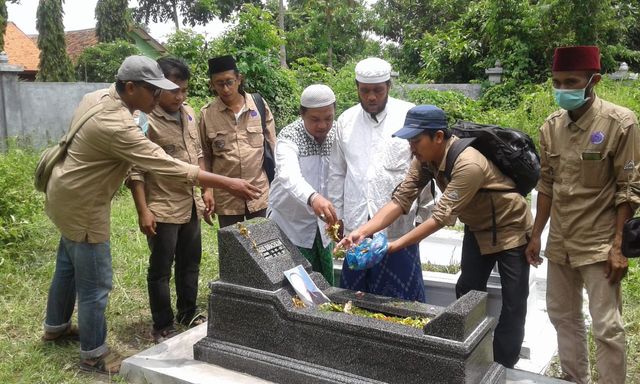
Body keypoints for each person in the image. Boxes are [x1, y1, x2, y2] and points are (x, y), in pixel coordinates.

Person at [41, 55, 261, 375]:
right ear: (130, 88)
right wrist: (228, 182)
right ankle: (93, 354)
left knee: (67, 266)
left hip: (64, 191)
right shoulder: (117, 124)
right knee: (95, 282)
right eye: (153, 91)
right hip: (84, 204)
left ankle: (56, 326)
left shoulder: (99, 97)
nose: (159, 97)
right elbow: (166, 164)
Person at [339, 105, 532, 368]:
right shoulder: (423, 160)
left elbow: (439, 218)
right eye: (409, 141)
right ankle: (469, 352)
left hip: (511, 228)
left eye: (416, 141)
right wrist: (362, 231)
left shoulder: (469, 164)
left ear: (438, 137)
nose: (411, 148)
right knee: (467, 290)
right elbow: (400, 200)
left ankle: (503, 364)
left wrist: (395, 245)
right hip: (477, 227)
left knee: (514, 300)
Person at [525, 46, 640, 384]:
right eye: (557, 82)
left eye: (571, 81)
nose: (563, 89)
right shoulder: (551, 126)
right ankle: (575, 379)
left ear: (594, 81)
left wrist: (619, 246)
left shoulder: (620, 122)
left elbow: (629, 188)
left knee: (607, 326)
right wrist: (536, 235)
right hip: (560, 241)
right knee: (563, 316)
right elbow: (547, 185)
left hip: (600, 242)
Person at [127, 57, 213, 343]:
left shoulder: (188, 112)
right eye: (174, 90)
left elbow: (197, 152)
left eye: (184, 90)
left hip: (190, 204)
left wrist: (206, 190)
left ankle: (188, 311)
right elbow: (135, 170)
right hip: (162, 207)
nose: (181, 96)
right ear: (156, 87)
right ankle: (163, 324)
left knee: (191, 262)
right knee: (161, 268)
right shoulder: (145, 120)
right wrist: (143, 211)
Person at [328, 57, 424, 302]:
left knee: (400, 301)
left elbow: (424, 166)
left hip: (398, 226)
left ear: (388, 87)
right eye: (365, 91)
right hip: (357, 221)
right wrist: (338, 216)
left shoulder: (408, 115)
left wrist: (423, 215)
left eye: (378, 91)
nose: (371, 97)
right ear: (357, 87)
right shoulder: (345, 121)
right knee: (354, 298)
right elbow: (338, 172)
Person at [268, 84, 338, 285]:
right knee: (294, 290)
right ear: (302, 114)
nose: (323, 125)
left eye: (328, 118)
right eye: (315, 119)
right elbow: (289, 175)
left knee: (323, 288)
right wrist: (313, 197)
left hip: (323, 227)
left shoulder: (337, 134)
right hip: (291, 225)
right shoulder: (289, 136)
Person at [200, 55, 277, 228]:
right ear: (212, 84)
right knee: (233, 249)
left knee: (264, 244)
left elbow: (273, 145)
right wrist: (207, 190)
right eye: (219, 84)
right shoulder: (207, 114)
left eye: (230, 82)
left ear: (239, 79)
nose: (226, 89)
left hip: (259, 193)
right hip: (227, 200)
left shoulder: (258, 105)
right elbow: (204, 154)